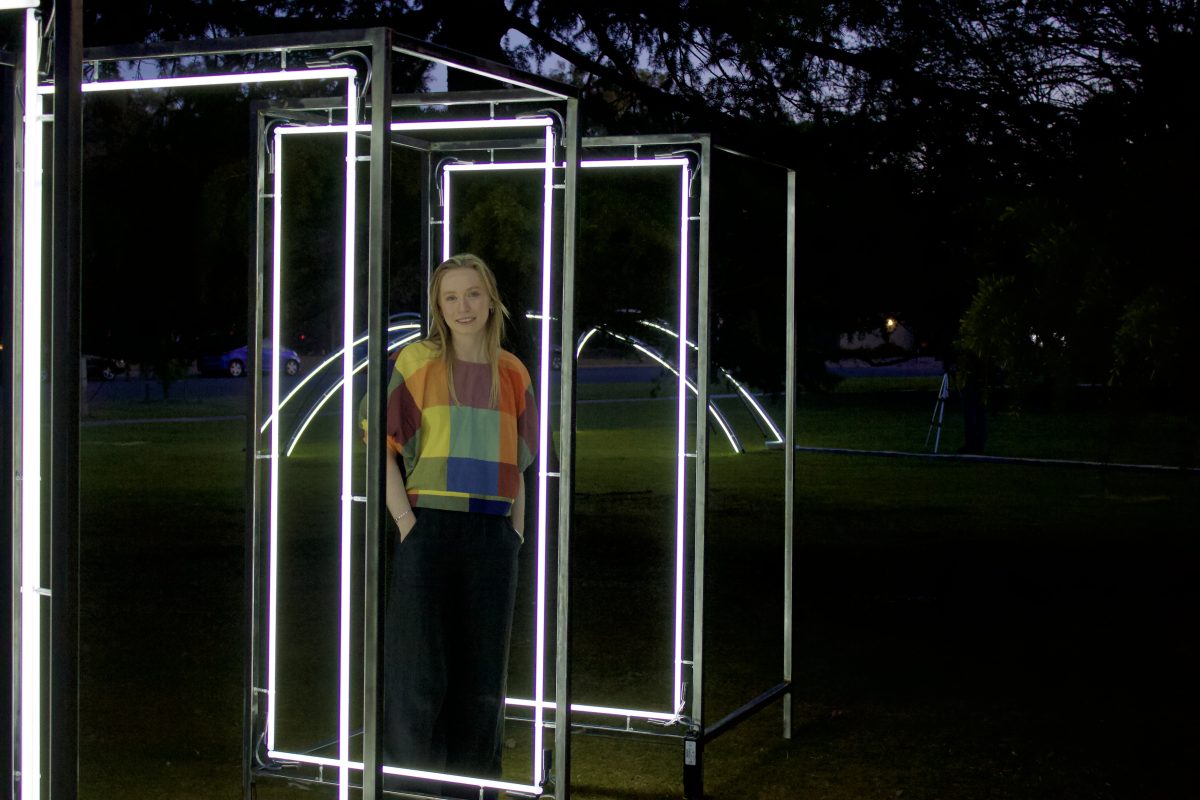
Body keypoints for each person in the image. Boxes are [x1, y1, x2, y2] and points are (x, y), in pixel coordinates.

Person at [371, 253, 537, 796]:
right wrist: (405, 523)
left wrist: (516, 532)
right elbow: (380, 451)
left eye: (472, 294)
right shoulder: (416, 362)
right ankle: (413, 787)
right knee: (418, 673)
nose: (463, 307)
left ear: (491, 300)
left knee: (482, 678)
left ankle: (473, 788)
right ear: (438, 307)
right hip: (429, 530)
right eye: (451, 297)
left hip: (492, 537)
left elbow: (524, 461)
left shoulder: (513, 372)